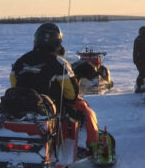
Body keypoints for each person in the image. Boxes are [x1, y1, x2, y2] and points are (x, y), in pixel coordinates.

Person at [10, 23, 106, 158]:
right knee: (86, 110)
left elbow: (14, 84)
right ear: (57, 41)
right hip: (51, 108)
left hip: (21, 106)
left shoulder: (20, 61)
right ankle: (92, 147)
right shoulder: (59, 62)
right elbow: (71, 94)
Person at [133, 26, 145, 91]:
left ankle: (141, 85)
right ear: (144, 33)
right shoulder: (140, 40)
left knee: (144, 73)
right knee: (143, 73)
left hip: (143, 60)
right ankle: (139, 87)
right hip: (141, 61)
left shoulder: (143, 40)